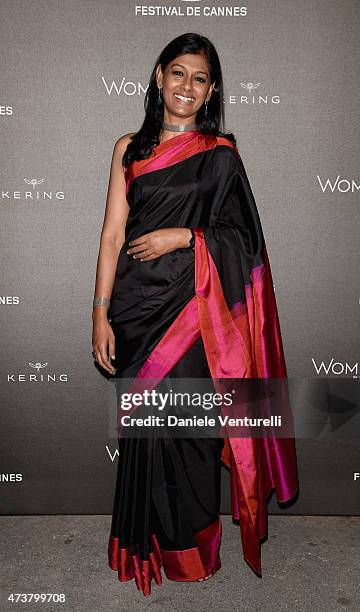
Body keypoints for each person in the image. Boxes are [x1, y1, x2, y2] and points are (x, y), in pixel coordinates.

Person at [92, 32, 299, 597]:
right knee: (144, 433)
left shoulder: (221, 156)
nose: (187, 86)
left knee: (187, 433)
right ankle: (145, 544)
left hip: (194, 314)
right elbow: (112, 233)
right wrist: (100, 311)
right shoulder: (128, 148)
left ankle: (190, 553)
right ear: (158, 77)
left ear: (210, 91)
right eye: (178, 73)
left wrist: (182, 237)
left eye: (200, 78)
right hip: (137, 310)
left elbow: (246, 243)